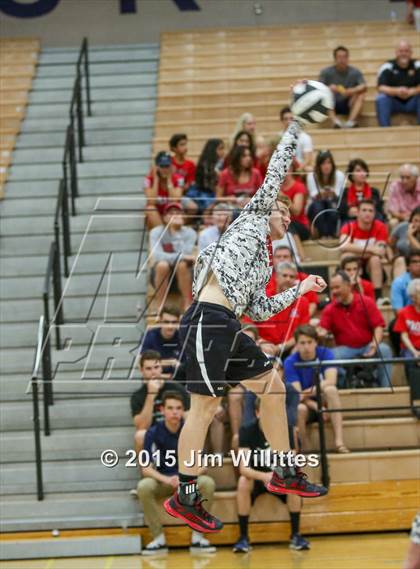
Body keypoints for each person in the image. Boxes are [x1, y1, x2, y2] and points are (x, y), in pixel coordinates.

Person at [163, 115, 328, 534]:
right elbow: (276, 168)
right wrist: (296, 127)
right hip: (206, 318)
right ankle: (184, 495)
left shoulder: (265, 261)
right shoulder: (253, 216)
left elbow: (259, 310)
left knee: (273, 388)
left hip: (230, 323)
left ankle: (284, 470)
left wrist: (302, 288)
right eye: (282, 211)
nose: (286, 217)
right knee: (204, 406)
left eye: (290, 216)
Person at [137, 392, 216, 555]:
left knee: (207, 482)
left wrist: (184, 478)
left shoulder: (192, 431)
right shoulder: (152, 433)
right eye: (170, 408)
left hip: (187, 481)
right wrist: (167, 479)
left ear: (183, 411)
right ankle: (158, 540)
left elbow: (203, 465)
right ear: (162, 410)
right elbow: (145, 468)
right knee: (144, 486)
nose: (175, 412)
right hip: (164, 481)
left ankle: (197, 538)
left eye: (178, 408)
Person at [233, 397, 310, 554]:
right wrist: (265, 476)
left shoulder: (286, 429)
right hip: (258, 479)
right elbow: (244, 468)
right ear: (257, 413)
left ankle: (296, 535)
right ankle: (243, 538)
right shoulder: (247, 430)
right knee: (242, 482)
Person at [319, 271, 393, 388]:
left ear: (349, 286)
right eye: (332, 288)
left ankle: (385, 388)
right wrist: (319, 332)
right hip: (345, 349)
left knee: (384, 350)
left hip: (368, 345)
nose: (334, 292)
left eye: (337, 287)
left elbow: (378, 326)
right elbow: (322, 331)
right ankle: (345, 387)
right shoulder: (329, 309)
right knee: (330, 356)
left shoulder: (366, 302)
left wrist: (374, 345)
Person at [284, 325, 349, 453]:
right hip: (307, 405)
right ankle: (305, 450)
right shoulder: (290, 361)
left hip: (324, 400)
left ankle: (339, 442)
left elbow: (331, 380)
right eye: (302, 343)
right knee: (299, 409)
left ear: (316, 342)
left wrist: (311, 394)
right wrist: (316, 406)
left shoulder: (326, 353)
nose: (306, 347)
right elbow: (298, 395)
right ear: (296, 344)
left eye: (310, 342)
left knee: (331, 390)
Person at [244, 262, 310, 360]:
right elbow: (248, 327)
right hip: (262, 347)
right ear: (276, 277)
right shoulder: (261, 299)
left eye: (292, 277)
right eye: (285, 275)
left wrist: (281, 347)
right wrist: (261, 343)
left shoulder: (302, 302)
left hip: (291, 348)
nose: (288, 279)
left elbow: (303, 332)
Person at [130, 350, 190, 455]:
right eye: (148, 369)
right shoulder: (138, 396)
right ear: (142, 370)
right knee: (140, 436)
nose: (153, 372)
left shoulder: (177, 388)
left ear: (161, 368)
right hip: (155, 435)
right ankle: (146, 469)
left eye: (156, 367)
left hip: (176, 432)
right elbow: (142, 427)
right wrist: (151, 395)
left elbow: (189, 418)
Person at [149, 202, 197, 312]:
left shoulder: (190, 233)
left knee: (182, 265)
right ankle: (161, 306)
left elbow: (186, 252)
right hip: (160, 274)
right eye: (171, 213)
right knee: (162, 265)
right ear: (165, 218)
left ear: (183, 217)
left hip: (185, 273)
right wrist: (180, 257)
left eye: (178, 213)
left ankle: (187, 304)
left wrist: (175, 232)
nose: (175, 215)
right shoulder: (156, 232)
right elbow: (156, 255)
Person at [339, 200, 389, 302]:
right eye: (364, 210)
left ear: (374, 214)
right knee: (346, 256)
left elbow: (380, 251)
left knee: (375, 259)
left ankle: (378, 297)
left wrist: (354, 249)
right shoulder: (349, 226)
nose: (367, 213)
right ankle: (347, 292)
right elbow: (343, 245)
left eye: (371, 211)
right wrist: (370, 249)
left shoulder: (380, 226)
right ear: (357, 212)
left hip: (372, 269)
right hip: (354, 267)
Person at [319, 45, 367, 128]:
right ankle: (335, 122)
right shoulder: (326, 72)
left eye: (344, 57)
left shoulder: (355, 72)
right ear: (335, 59)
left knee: (361, 94)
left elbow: (363, 86)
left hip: (348, 104)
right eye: (339, 57)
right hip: (332, 105)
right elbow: (318, 88)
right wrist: (329, 88)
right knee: (325, 94)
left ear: (348, 58)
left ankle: (350, 122)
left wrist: (351, 91)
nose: (342, 59)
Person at [376, 40, 420, 127]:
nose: (403, 53)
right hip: (394, 102)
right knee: (381, 98)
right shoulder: (387, 66)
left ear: (411, 53)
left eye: (406, 51)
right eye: (401, 51)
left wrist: (412, 91)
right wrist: (397, 91)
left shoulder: (417, 65)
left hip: (413, 101)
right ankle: (385, 130)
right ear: (396, 52)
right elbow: (381, 87)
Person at [394, 279, 420, 418]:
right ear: (413, 297)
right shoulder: (405, 312)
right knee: (411, 360)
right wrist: (415, 352)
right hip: (410, 347)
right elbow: (403, 336)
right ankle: (415, 401)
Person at [267, 245, 319, 316]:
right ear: (273, 259)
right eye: (278, 257)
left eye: (285, 256)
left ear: (292, 259)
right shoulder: (264, 280)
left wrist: (300, 319)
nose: (282, 259)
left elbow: (312, 303)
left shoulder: (304, 279)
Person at [307, 150, 345, 237]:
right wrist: (326, 193)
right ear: (319, 166)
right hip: (316, 204)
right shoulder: (312, 176)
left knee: (333, 206)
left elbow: (338, 195)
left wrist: (328, 193)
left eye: (328, 163)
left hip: (333, 202)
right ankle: (322, 233)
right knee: (318, 206)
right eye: (323, 163)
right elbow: (314, 196)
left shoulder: (339, 175)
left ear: (332, 164)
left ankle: (331, 232)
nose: (326, 166)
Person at [143, 151, 184, 229]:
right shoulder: (148, 179)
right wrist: (156, 179)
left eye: (167, 166)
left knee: (176, 209)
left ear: (171, 166)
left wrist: (169, 179)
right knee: (150, 209)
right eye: (162, 166)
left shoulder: (179, 178)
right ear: (157, 167)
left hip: (170, 212)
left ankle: (166, 235)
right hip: (156, 215)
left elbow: (175, 200)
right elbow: (151, 201)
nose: (165, 169)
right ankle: (162, 236)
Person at [139, 305, 183, 376]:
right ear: (160, 321)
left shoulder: (183, 338)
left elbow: (187, 365)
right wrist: (171, 363)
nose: (170, 326)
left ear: (179, 322)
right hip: (154, 379)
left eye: (174, 322)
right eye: (166, 322)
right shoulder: (150, 336)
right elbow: (142, 363)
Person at [339, 158, 385, 222]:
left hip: (371, 222)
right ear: (351, 174)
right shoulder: (345, 192)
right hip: (351, 221)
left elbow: (379, 210)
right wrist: (348, 211)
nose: (362, 173)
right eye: (358, 171)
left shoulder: (374, 192)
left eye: (364, 171)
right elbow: (340, 211)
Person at [191, 138, 225, 214]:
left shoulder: (224, 163)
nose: (223, 151)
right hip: (206, 193)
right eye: (220, 149)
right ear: (212, 150)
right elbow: (207, 185)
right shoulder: (205, 165)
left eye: (223, 148)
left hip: (220, 193)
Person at [279, 106, 313, 172]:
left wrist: (297, 170)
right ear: (282, 121)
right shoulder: (278, 138)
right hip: (283, 171)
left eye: (291, 119)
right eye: (285, 119)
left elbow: (307, 160)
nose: (289, 122)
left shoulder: (305, 137)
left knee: (309, 169)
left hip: (300, 169)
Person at [280, 169, 310, 241]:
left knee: (287, 224)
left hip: (300, 225)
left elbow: (296, 211)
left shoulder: (299, 186)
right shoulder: (275, 187)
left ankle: (298, 252)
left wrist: (282, 196)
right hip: (281, 225)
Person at [391, 207, 420, 277]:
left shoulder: (409, 234)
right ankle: (400, 287)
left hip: (418, 262)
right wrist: (391, 256)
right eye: (416, 220)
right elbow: (390, 243)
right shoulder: (402, 227)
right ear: (411, 219)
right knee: (400, 260)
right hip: (402, 261)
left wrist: (410, 236)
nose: (418, 224)